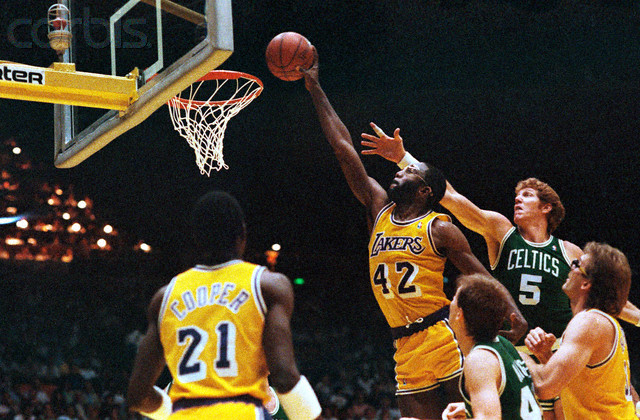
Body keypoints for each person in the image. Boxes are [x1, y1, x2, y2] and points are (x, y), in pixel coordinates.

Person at [299, 51, 526, 419]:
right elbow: (343, 149)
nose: (399, 172)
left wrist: (513, 313)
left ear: (425, 191)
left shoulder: (440, 228)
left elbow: (479, 276)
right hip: (403, 345)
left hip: (443, 336)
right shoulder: (378, 209)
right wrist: (315, 88)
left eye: (410, 172)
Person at [360, 128, 640, 416]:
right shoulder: (501, 232)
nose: (517, 199)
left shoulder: (569, 252)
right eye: (516, 195)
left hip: (558, 353)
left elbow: (608, 298)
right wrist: (403, 158)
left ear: (547, 207)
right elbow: (451, 196)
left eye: (527, 195)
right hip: (513, 353)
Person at [126, 191, 322, 420]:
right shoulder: (267, 285)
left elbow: (138, 396)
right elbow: (284, 376)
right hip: (242, 411)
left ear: (196, 238)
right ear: (243, 234)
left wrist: (175, 411)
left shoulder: (164, 297)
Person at [523, 242, 638, 419]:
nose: (570, 266)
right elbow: (578, 382)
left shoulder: (590, 322)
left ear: (586, 283)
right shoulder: (599, 322)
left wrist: (516, 354)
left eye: (577, 264)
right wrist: (545, 355)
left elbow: (544, 386)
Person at [442, 274, 542, 420]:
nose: (449, 304)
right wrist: (472, 409)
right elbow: (512, 402)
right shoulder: (503, 344)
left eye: (453, 299)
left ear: (460, 314)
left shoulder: (479, 360)